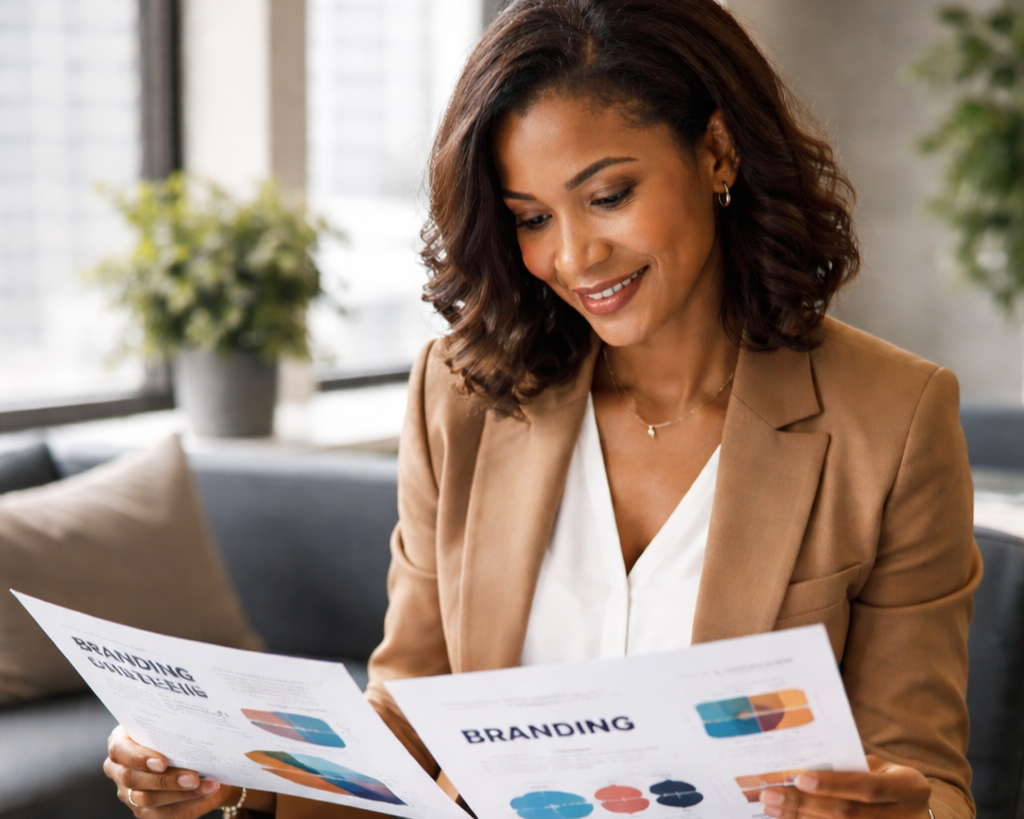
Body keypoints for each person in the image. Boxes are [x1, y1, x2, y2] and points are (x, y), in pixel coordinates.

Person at [102, 1, 981, 818]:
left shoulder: (893, 419)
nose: (574, 255)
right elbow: (408, 715)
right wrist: (236, 776)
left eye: (608, 196)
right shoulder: (461, 393)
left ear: (717, 151)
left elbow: (928, 775)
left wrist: (886, 807)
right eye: (529, 218)